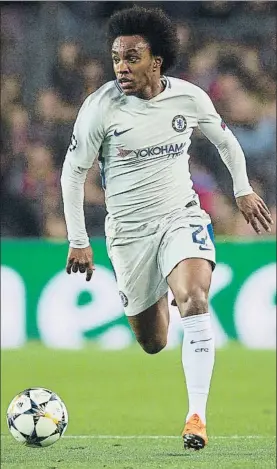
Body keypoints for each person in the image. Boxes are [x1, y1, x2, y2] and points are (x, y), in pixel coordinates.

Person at [61, 6, 273, 450]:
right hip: (129, 233)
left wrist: (242, 190)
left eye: (132, 58)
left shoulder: (189, 97)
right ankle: (159, 288)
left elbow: (224, 139)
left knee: (195, 300)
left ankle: (196, 416)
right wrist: (79, 240)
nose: (121, 67)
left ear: (155, 61)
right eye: (116, 58)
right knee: (154, 341)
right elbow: (71, 174)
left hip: (181, 215)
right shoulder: (99, 108)